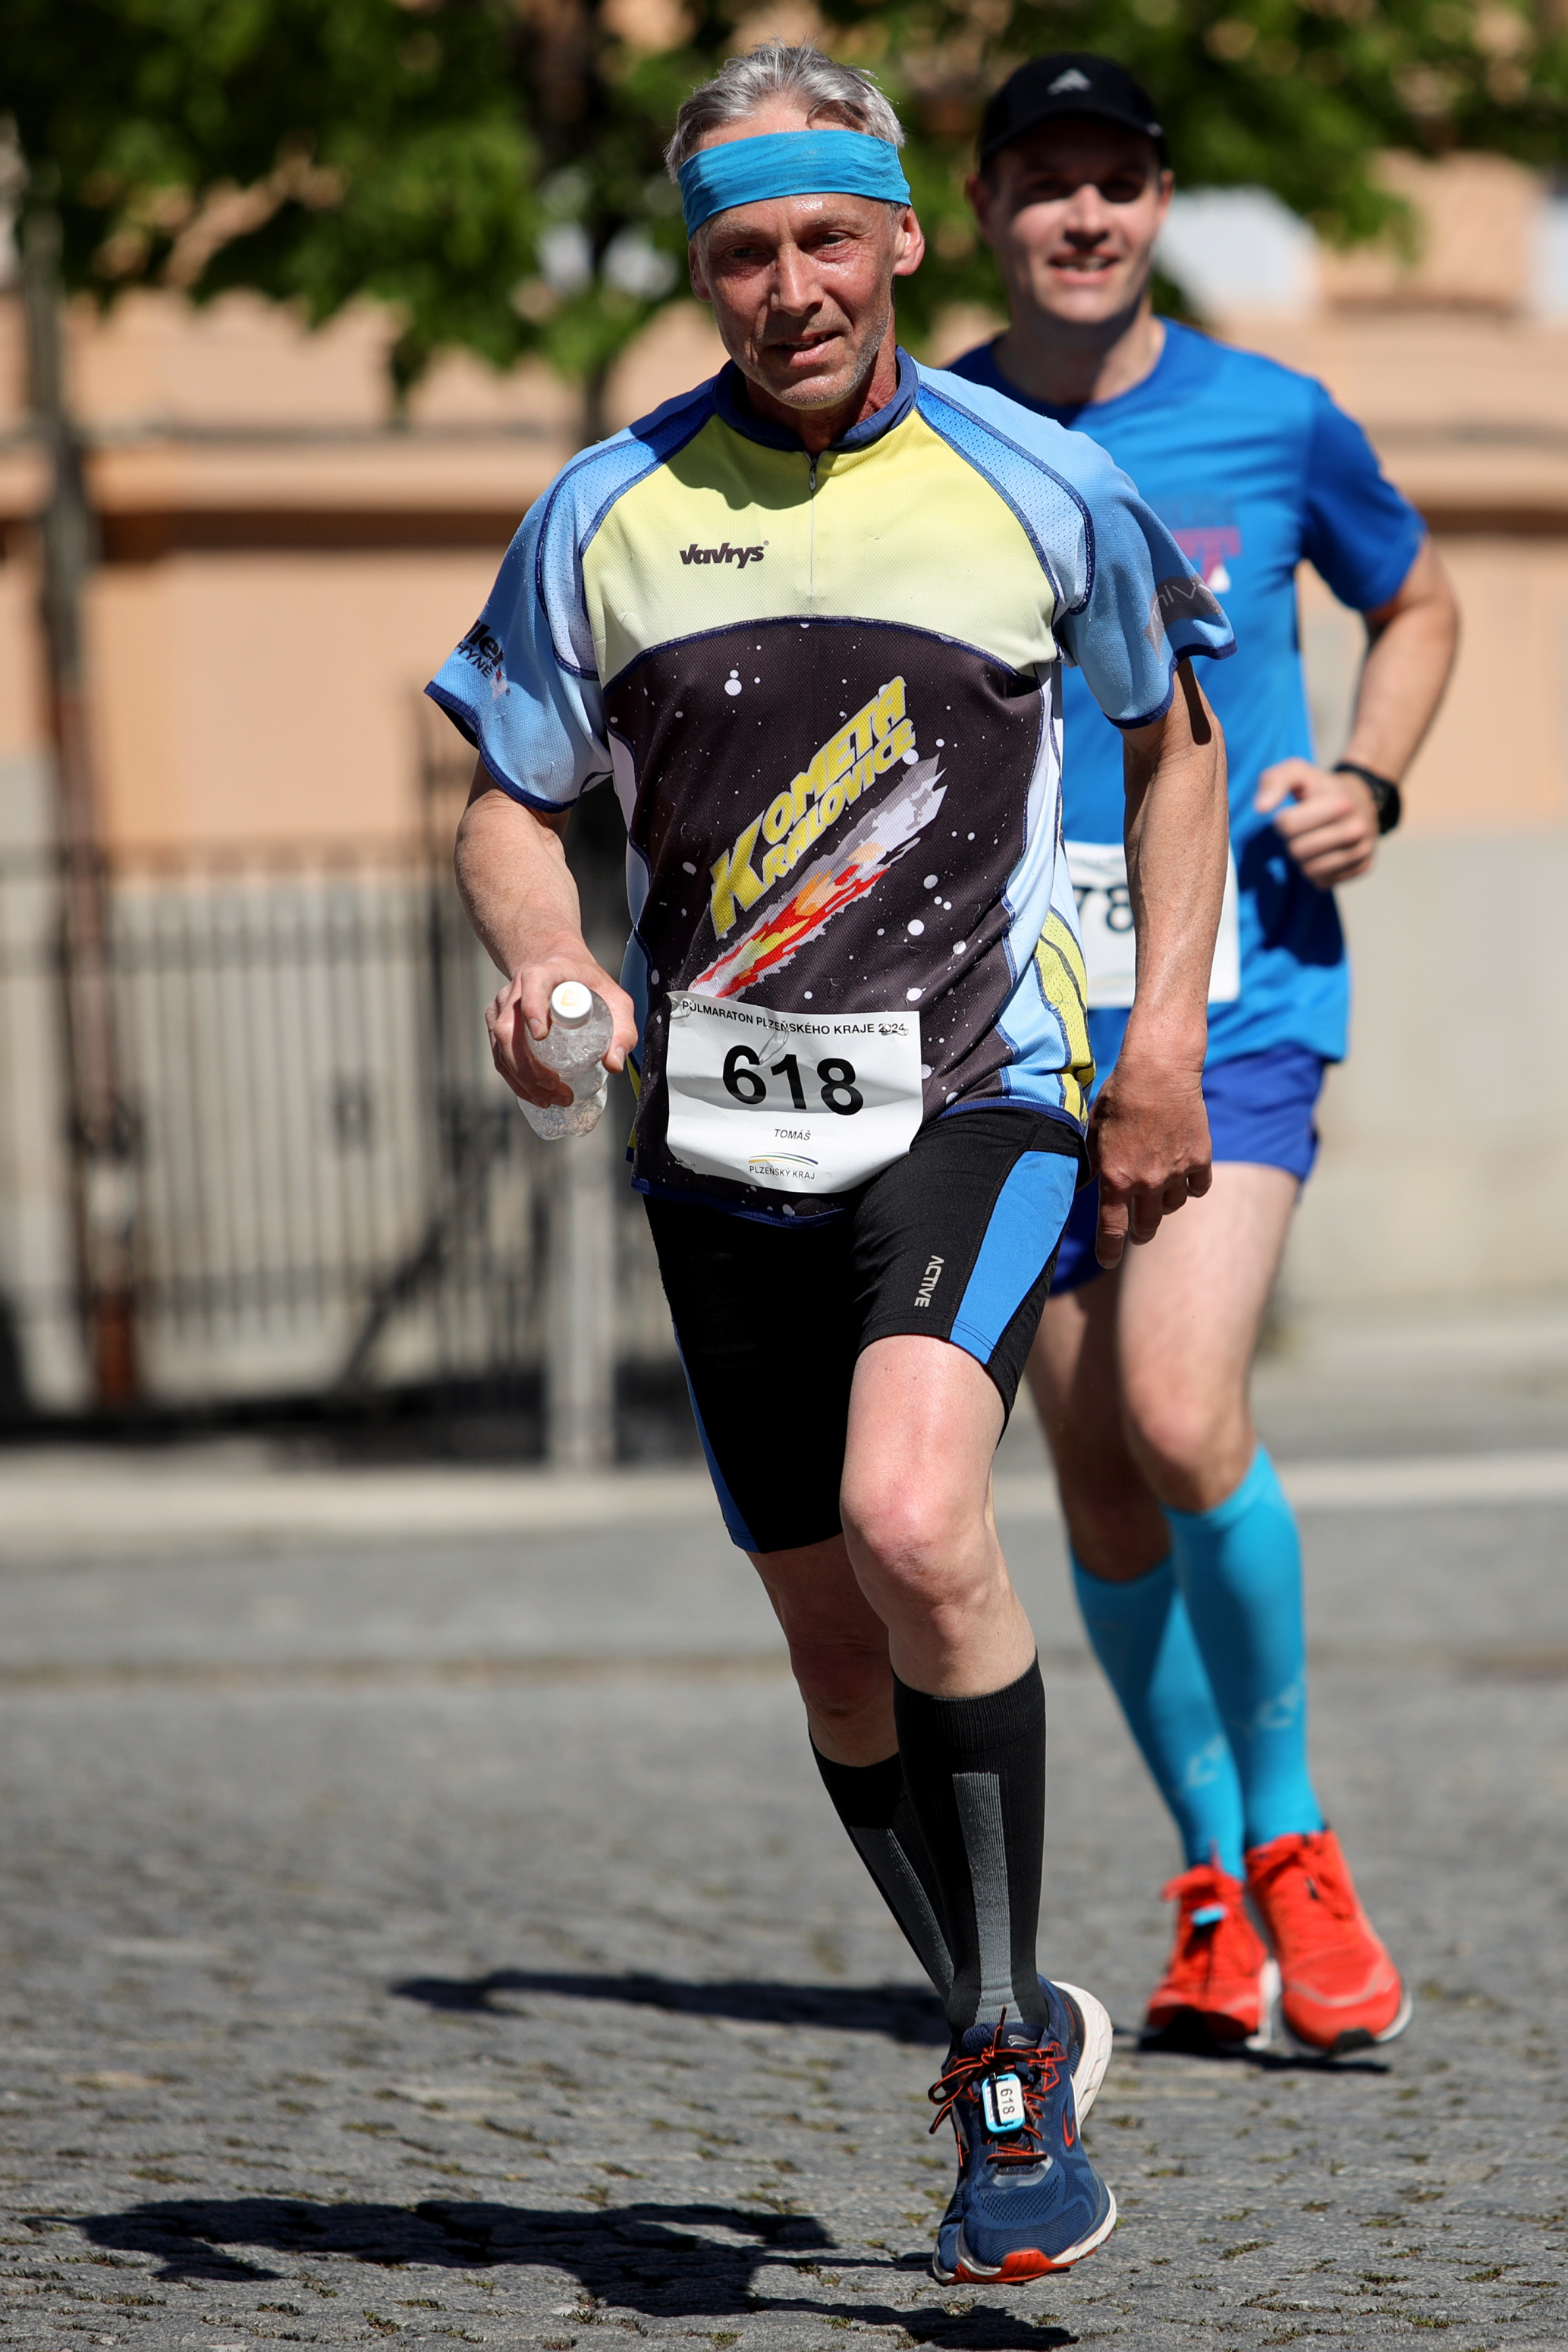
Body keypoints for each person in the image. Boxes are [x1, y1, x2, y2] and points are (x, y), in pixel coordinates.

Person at [432, 42, 1236, 2283]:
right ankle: (1017, 2008)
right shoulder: (603, 510)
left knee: (911, 1516)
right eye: (739, 252)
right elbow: (508, 797)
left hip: (974, 1095)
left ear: (895, 237)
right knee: (832, 1647)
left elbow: (1175, 750)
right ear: (700, 269)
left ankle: (996, 2080)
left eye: (822, 239)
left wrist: (1164, 1038)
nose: (787, 288)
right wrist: (541, 959)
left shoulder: (1037, 481)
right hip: (717, 1140)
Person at [949, 54, 1460, 2057]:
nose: (1083, 215)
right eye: (1045, 182)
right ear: (983, 209)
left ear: (1160, 203)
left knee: (1177, 1408)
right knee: (1091, 1475)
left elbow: (1418, 601)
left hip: (1238, 993)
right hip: (1014, 1017)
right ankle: (1210, 1883)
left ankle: (1299, 1841)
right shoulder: (935, 436)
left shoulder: (1275, 414)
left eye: (1118, 180)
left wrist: (1371, 778)